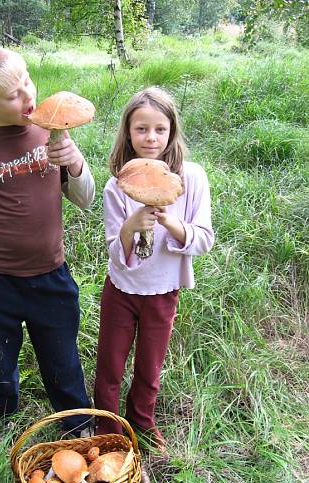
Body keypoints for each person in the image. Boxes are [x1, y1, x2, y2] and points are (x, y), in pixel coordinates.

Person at [0, 47, 94, 436]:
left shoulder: (50, 127)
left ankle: (78, 428)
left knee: (63, 363)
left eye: (27, 80)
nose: (28, 96)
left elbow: (85, 199)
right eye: (13, 94)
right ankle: (3, 426)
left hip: (50, 277)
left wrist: (75, 162)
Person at [94, 87, 215, 452]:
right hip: (122, 290)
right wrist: (132, 225)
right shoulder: (118, 186)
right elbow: (117, 250)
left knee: (150, 366)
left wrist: (170, 222)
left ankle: (142, 423)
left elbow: (204, 238)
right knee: (110, 364)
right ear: (128, 133)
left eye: (159, 129)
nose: (151, 138)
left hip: (162, 291)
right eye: (141, 129)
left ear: (172, 131)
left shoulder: (190, 178)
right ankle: (106, 426)